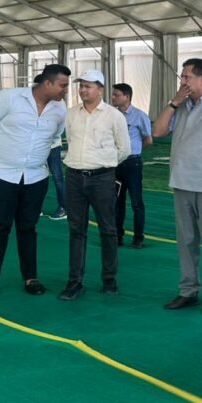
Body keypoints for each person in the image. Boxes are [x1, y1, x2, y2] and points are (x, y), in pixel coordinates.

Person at [0, 64, 70, 297]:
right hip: (2, 174)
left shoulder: (60, 109)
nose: (65, 90)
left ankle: (30, 278)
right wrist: (2, 152)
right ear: (47, 83)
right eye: (62, 85)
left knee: (28, 228)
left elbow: (56, 135)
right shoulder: (10, 98)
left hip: (36, 177)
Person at [155, 58, 202, 311]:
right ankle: (188, 290)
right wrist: (174, 103)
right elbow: (158, 132)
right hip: (182, 183)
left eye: (187, 77)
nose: (182, 81)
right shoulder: (180, 105)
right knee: (186, 241)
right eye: (182, 77)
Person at [59, 69, 130, 301]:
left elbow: (124, 149)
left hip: (102, 178)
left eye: (88, 86)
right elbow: (69, 139)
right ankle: (74, 282)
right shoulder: (71, 114)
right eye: (81, 86)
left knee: (108, 229)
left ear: (100, 89)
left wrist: (104, 164)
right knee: (76, 230)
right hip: (74, 177)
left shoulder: (114, 116)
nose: (82, 90)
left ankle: (109, 279)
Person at [111, 83, 153, 249]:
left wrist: (134, 151)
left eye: (116, 95)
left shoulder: (139, 116)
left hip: (132, 164)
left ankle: (138, 237)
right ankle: (117, 236)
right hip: (116, 164)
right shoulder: (112, 116)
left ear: (127, 97)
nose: (113, 97)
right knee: (117, 201)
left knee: (136, 202)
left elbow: (148, 139)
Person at [43, 131, 68, 221]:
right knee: (37, 177)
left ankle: (64, 208)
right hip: (36, 147)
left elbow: (59, 129)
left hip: (53, 146)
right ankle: (35, 206)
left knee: (58, 177)